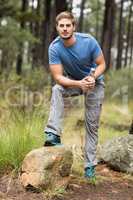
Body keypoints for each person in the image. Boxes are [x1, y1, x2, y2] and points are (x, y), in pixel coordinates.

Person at [44, 11, 106, 179]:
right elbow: (58, 77)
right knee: (57, 89)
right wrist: (79, 83)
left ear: (73, 27)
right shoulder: (54, 47)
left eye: (68, 26)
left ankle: (90, 167)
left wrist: (92, 77)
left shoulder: (88, 41)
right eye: (61, 26)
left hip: (95, 83)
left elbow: (102, 64)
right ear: (57, 28)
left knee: (91, 125)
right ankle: (53, 134)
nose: (64, 29)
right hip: (75, 82)